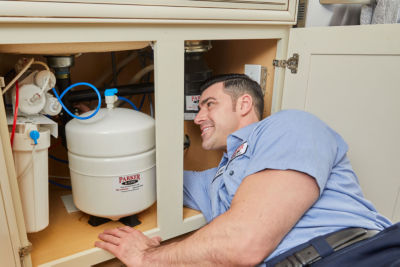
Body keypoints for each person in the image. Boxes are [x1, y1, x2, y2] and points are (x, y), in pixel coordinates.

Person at [95, 74, 399, 266]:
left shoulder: (289, 126)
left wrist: (148, 258)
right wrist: (101, 130)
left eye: (209, 105)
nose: (198, 117)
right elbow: (150, 178)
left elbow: (243, 242)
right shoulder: (215, 180)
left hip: (354, 255)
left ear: (243, 104)